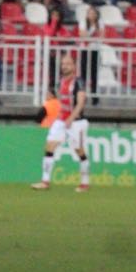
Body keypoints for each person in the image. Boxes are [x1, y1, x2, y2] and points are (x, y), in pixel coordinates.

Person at [31, 55, 90, 192]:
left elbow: (81, 102)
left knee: (79, 151)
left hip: (76, 122)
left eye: (68, 64)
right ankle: (45, 181)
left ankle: (84, 182)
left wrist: (71, 117)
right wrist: (60, 116)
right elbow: (60, 101)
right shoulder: (61, 82)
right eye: (63, 64)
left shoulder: (78, 82)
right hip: (61, 121)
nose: (64, 66)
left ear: (74, 66)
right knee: (49, 146)